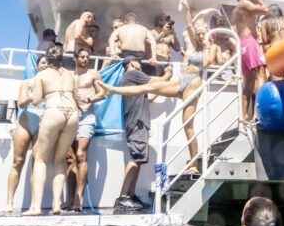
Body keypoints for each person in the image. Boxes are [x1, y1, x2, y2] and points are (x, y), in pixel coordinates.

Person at [103, 2, 215, 176]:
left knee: (188, 126)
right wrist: (188, 9)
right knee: (148, 87)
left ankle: (194, 163)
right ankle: (112, 90)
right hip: (182, 80)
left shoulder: (210, 48)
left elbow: (208, 63)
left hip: (193, 84)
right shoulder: (193, 46)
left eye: (202, 34)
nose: (200, 36)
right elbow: (191, 24)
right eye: (199, 34)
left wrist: (208, 45)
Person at [110, 56, 173, 211]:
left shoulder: (133, 80)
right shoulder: (132, 74)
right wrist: (168, 75)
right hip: (137, 122)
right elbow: (154, 82)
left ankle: (130, 196)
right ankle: (123, 197)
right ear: (131, 63)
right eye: (138, 60)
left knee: (137, 159)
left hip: (139, 122)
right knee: (135, 158)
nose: (140, 63)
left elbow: (150, 96)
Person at [22, 45, 79, 216]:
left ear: (48, 58)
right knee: (60, 159)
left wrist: (30, 94)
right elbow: (76, 97)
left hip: (54, 111)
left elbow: (37, 100)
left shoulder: (41, 75)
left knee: (40, 158)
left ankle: (36, 207)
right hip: (72, 112)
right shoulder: (71, 75)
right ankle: (56, 205)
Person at [4, 55, 49, 214]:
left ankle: (34, 205)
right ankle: (9, 202)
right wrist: (33, 95)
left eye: (48, 63)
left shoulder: (51, 86)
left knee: (36, 163)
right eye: (43, 62)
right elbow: (21, 102)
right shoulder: (27, 82)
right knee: (18, 161)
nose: (45, 65)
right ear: (37, 66)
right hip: (26, 120)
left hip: (43, 123)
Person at [64, 47, 105, 212]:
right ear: (75, 58)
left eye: (87, 57)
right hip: (69, 118)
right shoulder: (68, 76)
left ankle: (79, 200)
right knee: (70, 159)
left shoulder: (93, 74)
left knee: (81, 155)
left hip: (87, 117)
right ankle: (69, 199)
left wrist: (89, 98)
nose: (85, 59)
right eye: (82, 57)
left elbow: (103, 92)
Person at [232, 0, 270, 121]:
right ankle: (257, 114)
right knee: (261, 76)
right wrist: (261, 1)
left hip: (242, 44)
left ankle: (245, 115)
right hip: (249, 41)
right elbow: (265, 10)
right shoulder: (243, 4)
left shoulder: (240, 7)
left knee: (248, 82)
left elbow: (253, 5)